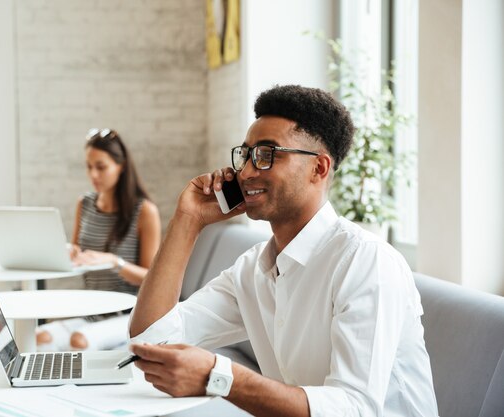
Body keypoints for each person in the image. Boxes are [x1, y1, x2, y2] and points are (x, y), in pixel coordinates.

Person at [128, 85, 438, 416]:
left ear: (318, 168)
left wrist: (222, 377)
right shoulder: (253, 269)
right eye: (245, 155)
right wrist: (188, 220)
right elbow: (150, 339)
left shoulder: (366, 261)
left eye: (266, 155)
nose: (245, 172)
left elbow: (355, 408)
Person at [37, 128, 161, 351]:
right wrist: (68, 253)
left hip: (129, 314)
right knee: (39, 337)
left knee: (78, 340)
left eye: (101, 167)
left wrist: (115, 262)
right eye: (89, 167)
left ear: (120, 166)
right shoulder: (84, 204)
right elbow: (77, 253)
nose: (93, 174)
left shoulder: (144, 212)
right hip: (92, 311)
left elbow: (151, 279)